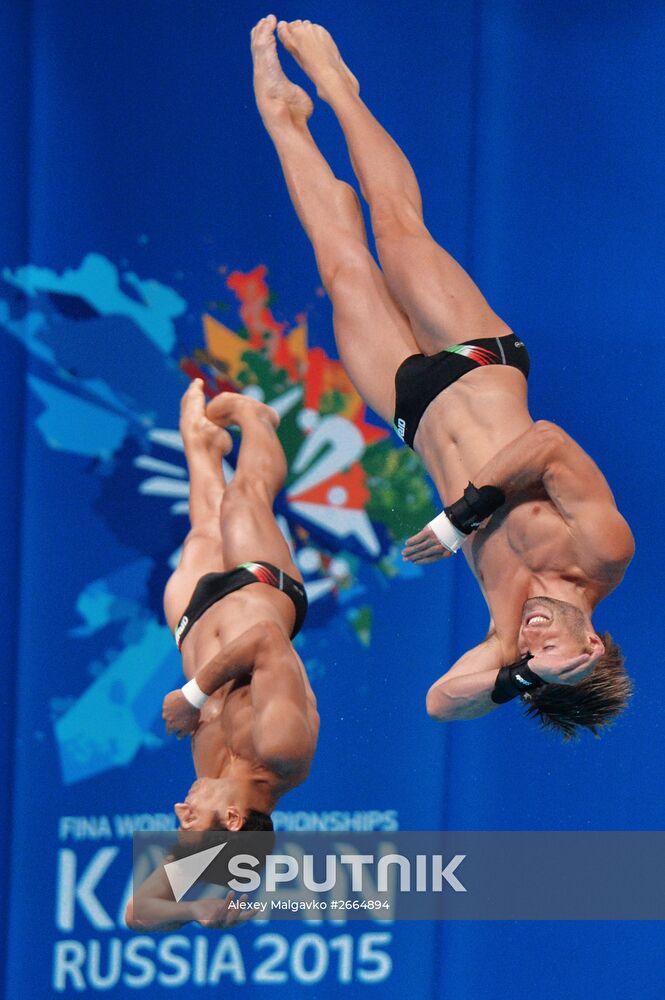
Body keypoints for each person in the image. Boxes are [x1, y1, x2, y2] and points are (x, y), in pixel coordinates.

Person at [250, 15, 634, 738]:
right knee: (396, 227)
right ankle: (338, 89)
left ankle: (283, 118)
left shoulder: (504, 633)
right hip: (479, 360)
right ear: (594, 643)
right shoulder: (602, 552)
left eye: (530, 658)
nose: (529, 639)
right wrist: (462, 517)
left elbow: (439, 701)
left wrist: (521, 674)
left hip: (410, 408)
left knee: (341, 267)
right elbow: (548, 442)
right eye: (551, 651)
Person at [127, 380, 318, 930]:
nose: (179, 812)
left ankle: (204, 447)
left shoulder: (218, 796)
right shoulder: (283, 751)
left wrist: (196, 907)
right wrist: (192, 696)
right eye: (191, 821)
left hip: (192, 620)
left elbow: (137, 912)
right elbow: (267, 643)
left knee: (202, 524)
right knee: (243, 498)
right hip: (260, 589)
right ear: (233, 818)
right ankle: (256, 418)